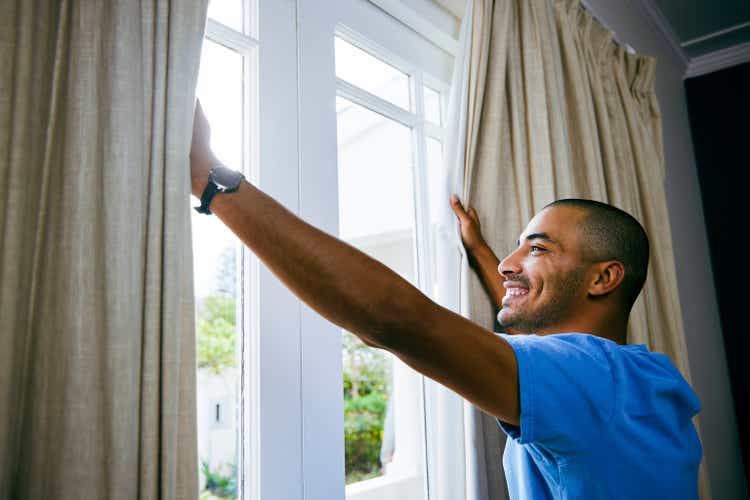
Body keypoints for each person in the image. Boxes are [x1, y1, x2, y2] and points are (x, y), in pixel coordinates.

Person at [189, 101, 702, 499]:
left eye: (538, 248)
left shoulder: (591, 376)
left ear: (604, 278)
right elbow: (530, 313)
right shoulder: (640, 382)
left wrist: (209, 178)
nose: (508, 263)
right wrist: (480, 249)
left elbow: (397, 320)